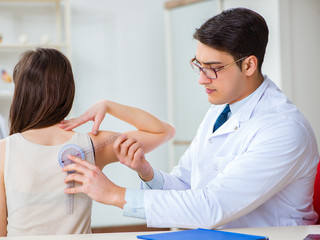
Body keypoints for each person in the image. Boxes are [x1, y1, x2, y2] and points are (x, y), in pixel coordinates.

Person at [60, 8, 319, 229]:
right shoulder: (220, 110)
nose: (201, 79)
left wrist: (114, 194)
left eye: (213, 69)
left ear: (249, 65)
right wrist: (148, 174)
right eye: (199, 64)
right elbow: (186, 184)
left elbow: (212, 207)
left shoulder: (283, 129)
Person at [0, 48, 175, 236]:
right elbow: (164, 131)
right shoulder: (92, 146)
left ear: (21, 95)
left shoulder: (2, 151)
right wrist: (107, 105)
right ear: (68, 91)